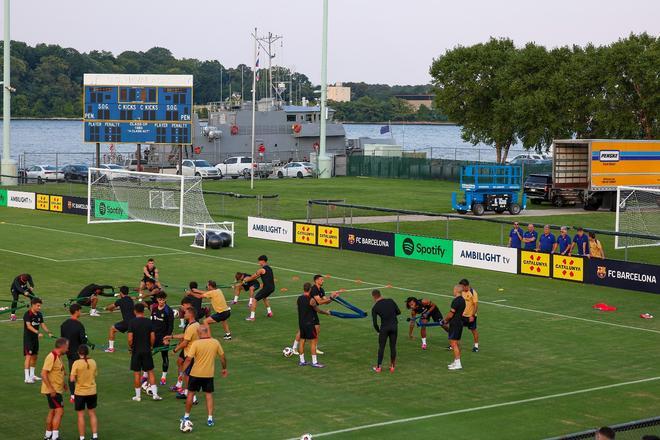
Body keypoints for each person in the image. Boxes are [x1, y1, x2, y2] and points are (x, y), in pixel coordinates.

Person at [180, 325, 228, 428]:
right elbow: (223, 357)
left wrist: (182, 372)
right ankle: (210, 418)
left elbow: (188, 359)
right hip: (208, 374)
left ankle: (186, 417)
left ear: (200, 333)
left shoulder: (196, 344)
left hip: (195, 374)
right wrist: (224, 368)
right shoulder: (215, 342)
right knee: (208, 395)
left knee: (190, 394)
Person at [292, 275, 339, 355]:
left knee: (317, 329)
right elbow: (320, 302)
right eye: (321, 280)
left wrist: (332, 297)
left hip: (313, 310)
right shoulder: (313, 289)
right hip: (308, 310)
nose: (323, 281)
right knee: (302, 330)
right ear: (316, 281)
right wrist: (330, 298)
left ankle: (315, 347)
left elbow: (326, 301)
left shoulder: (321, 290)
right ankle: (294, 347)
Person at [127, 303, 162, 401]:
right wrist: (150, 346)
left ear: (135, 311)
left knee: (137, 373)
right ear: (143, 311)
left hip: (136, 351)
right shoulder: (149, 322)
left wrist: (131, 347)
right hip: (146, 350)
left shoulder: (132, 322)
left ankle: (138, 396)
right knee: (150, 372)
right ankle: (155, 394)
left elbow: (130, 338)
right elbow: (153, 337)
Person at [165, 307, 200, 401]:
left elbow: (185, 342)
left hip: (190, 353)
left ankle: (193, 397)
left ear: (191, 314)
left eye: (186, 313)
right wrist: (171, 336)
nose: (184, 314)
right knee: (181, 365)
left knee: (187, 375)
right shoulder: (193, 324)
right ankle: (183, 389)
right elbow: (185, 335)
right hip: (188, 352)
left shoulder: (192, 326)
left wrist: (174, 350)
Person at [297, 282, 331, 368]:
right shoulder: (311, 300)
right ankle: (314, 362)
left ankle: (302, 361)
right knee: (313, 342)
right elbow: (318, 310)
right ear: (310, 289)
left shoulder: (299, 298)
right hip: (309, 323)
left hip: (301, 322)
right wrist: (326, 312)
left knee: (302, 340)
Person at [41, 337, 69, 440]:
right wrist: (51, 389)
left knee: (52, 411)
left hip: (56, 388)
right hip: (53, 390)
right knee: (59, 411)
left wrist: (63, 384)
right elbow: (43, 374)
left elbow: (58, 372)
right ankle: (55, 437)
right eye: (67, 347)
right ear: (62, 346)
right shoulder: (51, 356)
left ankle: (48, 435)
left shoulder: (58, 356)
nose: (68, 349)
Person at [69, 344, 98, 440]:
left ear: (78, 353)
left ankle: (82, 438)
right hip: (92, 391)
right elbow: (95, 375)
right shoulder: (93, 362)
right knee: (92, 413)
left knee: (81, 415)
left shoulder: (76, 363)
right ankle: (95, 436)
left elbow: (72, 379)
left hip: (80, 392)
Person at [60, 303, 87, 403]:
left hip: (69, 353)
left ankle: (73, 395)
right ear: (76, 311)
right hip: (79, 353)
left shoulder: (64, 324)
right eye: (80, 310)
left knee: (72, 373)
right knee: (81, 374)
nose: (81, 312)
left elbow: (62, 339)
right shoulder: (79, 325)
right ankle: (81, 392)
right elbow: (83, 340)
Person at [24, 297, 53, 384]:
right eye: (38, 306)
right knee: (28, 357)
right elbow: (28, 326)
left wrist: (48, 332)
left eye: (40, 306)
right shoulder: (27, 314)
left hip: (35, 339)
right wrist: (37, 332)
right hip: (28, 339)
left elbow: (42, 324)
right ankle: (27, 377)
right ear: (33, 305)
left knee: (35, 356)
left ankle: (32, 375)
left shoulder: (39, 314)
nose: (39, 307)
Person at [371, 289, 401, 373]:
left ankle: (379, 367)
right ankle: (392, 366)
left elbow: (375, 323)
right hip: (394, 326)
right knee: (393, 346)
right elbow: (398, 312)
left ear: (373, 296)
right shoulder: (390, 301)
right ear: (380, 294)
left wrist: (378, 331)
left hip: (384, 328)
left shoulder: (375, 307)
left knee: (381, 347)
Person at [150, 291, 174, 386]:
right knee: (149, 354)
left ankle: (163, 377)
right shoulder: (154, 308)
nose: (161, 301)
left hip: (163, 337)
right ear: (157, 299)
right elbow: (152, 322)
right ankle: (145, 374)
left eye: (163, 300)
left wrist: (167, 338)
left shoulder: (168, 311)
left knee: (164, 356)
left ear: (165, 299)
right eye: (160, 300)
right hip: (154, 337)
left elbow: (171, 326)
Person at [243, 255, 275, 321]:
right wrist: (248, 279)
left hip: (267, 288)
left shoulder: (261, 269)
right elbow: (258, 276)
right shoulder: (269, 268)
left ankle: (252, 317)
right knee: (264, 297)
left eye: (259, 261)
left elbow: (252, 277)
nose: (258, 263)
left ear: (263, 261)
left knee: (254, 300)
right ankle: (270, 312)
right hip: (272, 287)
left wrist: (245, 280)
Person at [103, 286, 134, 353]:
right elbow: (124, 306)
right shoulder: (130, 299)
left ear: (120, 292)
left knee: (112, 329)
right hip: (134, 321)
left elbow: (110, 307)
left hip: (127, 322)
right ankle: (133, 348)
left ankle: (111, 348)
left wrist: (106, 308)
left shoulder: (120, 301)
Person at [444, 285, 466, 371]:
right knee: (456, 342)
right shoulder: (463, 300)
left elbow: (451, 314)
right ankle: (456, 361)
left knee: (453, 343)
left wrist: (445, 320)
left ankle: (458, 363)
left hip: (455, 323)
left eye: (453, 290)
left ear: (456, 290)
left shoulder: (456, 301)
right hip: (459, 322)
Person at [459, 279, 479, 352]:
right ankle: (454, 344)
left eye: (462, 287)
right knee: (457, 329)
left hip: (470, 316)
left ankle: (476, 346)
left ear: (466, 286)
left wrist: (472, 316)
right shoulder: (461, 292)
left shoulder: (473, 292)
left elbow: (476, 305)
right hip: (462, 315)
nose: (461, 288)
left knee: (473, 330)